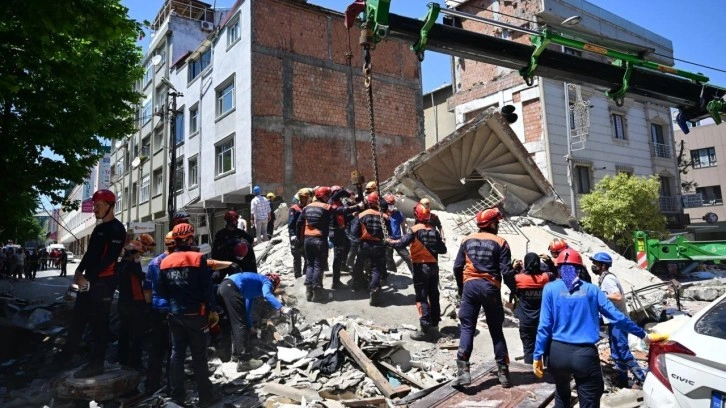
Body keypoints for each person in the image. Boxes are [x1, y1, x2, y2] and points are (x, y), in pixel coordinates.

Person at [532, 248, 664, 408]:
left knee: (561, 395)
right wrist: (642, 334)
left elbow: (544, 325)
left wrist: (537, 354)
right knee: (589, 399)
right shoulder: (592, 290)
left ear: (559, 268)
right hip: (584, 355)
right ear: (580, 269)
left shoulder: (550, 289)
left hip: (557, 353)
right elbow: (617, 316)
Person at [59, 189, 126, 378]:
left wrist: (88, 277)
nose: (95, 209)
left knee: (99, 324)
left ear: (110, 206)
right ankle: (66, 359)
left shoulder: (117, 229)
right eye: (95, 206)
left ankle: (96, 364)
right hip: (88, 280)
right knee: (78, 319)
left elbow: (110, 258)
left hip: (104, 282)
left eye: (98, 206)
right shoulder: (98, 229)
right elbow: (90, 255)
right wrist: (79, 271)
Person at [158, 223, 221, 407]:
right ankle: (205, 397)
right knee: (199, 356)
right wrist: (212, 308)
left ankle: (177, 396)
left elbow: (162, 290)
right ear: (191, 238)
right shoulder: (198, 258)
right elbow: (206, 288)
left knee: (177, 355)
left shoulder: (164, 262)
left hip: (175, 314)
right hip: (196, 315)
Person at [452, 207, 515, 388]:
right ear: (492, 223)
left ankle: (463, 371)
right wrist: (515, 290)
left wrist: (461, 287)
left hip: (470, 287)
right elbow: (506, 271)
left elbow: (457, 267)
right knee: (496, 330)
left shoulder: (466, 240)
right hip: (490, 288)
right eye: (497, 222)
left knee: (467, 328)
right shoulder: (501, 242)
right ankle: (503, 373)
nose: (498, 225)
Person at [387, 203, 447, 341]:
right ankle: (435, 324)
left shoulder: (414, 230)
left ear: (417, 215)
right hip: (433, 268)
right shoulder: (434, 231)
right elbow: (443, 250)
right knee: (434, 295)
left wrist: (389, 241)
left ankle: (425, 329)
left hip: (420, 268)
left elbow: (400, 243)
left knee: (421, 297)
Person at [590, 251, 646, 388]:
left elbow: (618, 296)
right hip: (613, 322)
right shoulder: (604, 278)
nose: (593, 265)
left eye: (596, 263)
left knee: (623, 352)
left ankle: (643, 379)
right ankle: (623, 382)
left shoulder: (608, 279)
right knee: (616, 353)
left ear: (603, 265)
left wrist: (600, 296)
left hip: (619, 322)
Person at [297, 186, 362, 302]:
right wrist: (357, 207)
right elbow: (341, 211)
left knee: (310, 264)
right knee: (318, 265)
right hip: (319, 240)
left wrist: (300, 239)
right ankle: (317, 291)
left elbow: (299, 224)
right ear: (323, 196)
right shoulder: (326, 207)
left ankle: (309, 290)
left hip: (307, 240)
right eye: (327, 195)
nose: (329, 198)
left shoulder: (306, 208)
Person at [217, 272, 292, 372]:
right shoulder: (267, 282)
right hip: (232, 287)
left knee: (231, 323)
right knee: (239, 324)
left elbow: (246, 312)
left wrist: (251, 328)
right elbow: (267, 294)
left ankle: (234, 356)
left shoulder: (251, 288)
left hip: (223, 287)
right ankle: (244, 361)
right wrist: (282, 308)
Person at [144, 231, 174, 394]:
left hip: (156, 309)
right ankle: (172, 386)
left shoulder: (154, 262)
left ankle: (151, 384)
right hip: (173, 310)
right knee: (173, 349)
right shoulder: (176, 262)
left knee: (156, 349)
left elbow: (147, 289)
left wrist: (149, 308)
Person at [514, 252, 556, 364]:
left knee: (529, 349)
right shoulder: (545, 278)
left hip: (526, 321)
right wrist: (549, 262)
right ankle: (549, 374)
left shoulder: (518, 278)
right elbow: (556, 274)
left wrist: (514, 268)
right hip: (543, 320)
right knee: (547, 348)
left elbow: (508, 278)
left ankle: (530, 375)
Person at [350, 191, 389, 306]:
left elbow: (354, 232)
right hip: (378, 245)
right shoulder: (385, 217)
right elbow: (388, 233)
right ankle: (374, 291)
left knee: (359, 264)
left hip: (364, 244)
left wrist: (357, 241)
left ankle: (356, 284)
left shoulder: (362, 215)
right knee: (376, 268)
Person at [116, 240, 148, 369]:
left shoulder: (120, 266)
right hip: (135, 304)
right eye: (138, 253)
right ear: (132, 253)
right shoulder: (133, 266)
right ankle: (135, 363)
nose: (139, 256)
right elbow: (143, 278)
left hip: (122, 302)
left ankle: (122, 359)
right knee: (137, 335)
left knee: (124, 332)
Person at [213, 210, 257, 279]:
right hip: (225, 261)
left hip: (239, 261)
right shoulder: (220, 234)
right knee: (215, 278)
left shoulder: (239, 232)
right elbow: (215, 250)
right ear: (230, 221)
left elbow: (250, 240)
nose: (237, 222)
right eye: (235, 221)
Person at [328, 185, 353, 289]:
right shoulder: (331, 201)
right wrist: (348, 194)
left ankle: (343, 264)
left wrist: (353, 215)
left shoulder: (338, 202)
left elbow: (344, 217)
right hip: (335, 232)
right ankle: (335, 281)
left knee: (348, 244)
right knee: (337, 256)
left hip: (340, 231)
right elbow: (339, 194)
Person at [383, 193, 413, 275]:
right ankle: (393, 274)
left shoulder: (398, 214)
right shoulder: (382, 214)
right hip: (387, 240)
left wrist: (405, 239)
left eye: (392, 204)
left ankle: (415, 274)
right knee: (388, 259)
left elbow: (403, 227)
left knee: (408, 257)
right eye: (389, 204)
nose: (391, 206)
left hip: (398, 240)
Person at [288, 188, 310, 278]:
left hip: (305, 236)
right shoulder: (294, 209)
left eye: (306, 198)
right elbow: (291, 224)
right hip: (296, 237)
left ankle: (305, 275)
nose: (305, 199)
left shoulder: (308, 208)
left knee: (307, 257)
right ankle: (297, 276)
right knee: (297, 257)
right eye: (304, 198)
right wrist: (293, 235)